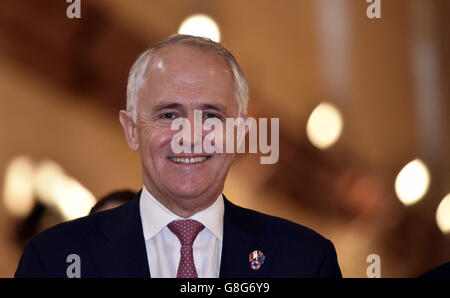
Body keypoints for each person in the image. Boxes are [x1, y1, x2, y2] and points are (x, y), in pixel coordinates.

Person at [15, 35, 341, 278]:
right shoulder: (52, 260)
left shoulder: (305, 262)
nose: (190, 136)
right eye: (169, 115)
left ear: (241, 135)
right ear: (131, 130)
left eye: (211, 116)